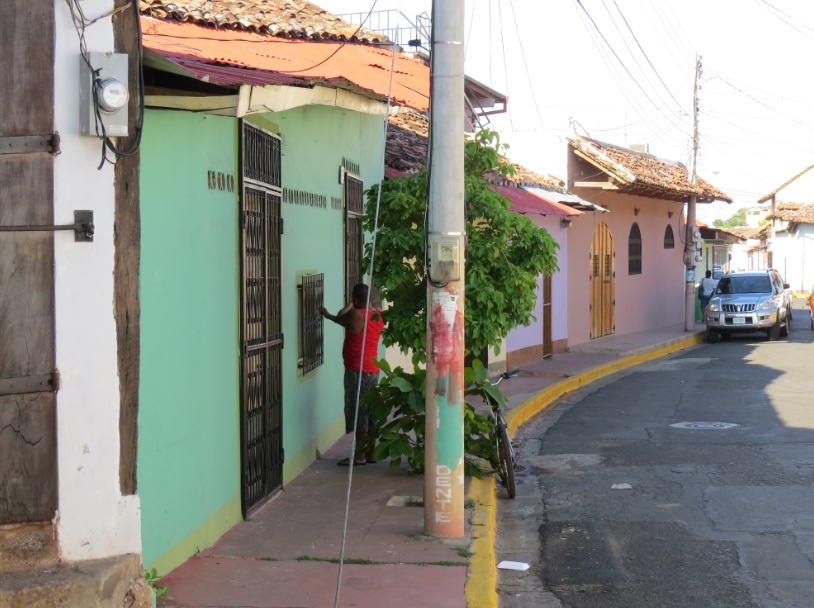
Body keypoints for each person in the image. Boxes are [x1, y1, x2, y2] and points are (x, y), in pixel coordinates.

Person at [320, 284, 385, 466]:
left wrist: (343, 307)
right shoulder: (378, 314)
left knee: (359, 411)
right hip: (373, 369)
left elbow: (339, 317)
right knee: (370, 411)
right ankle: (371, 452)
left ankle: (359, 455)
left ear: (355, 299)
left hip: (358, 370)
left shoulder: (356, 314)